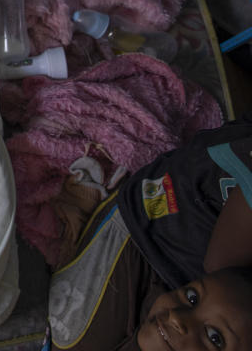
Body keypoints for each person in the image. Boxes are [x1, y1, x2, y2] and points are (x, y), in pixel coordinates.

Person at [48, 114, 252, 350]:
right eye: (215, 337)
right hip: (150, 227)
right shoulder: (222, 278)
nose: (176, 318)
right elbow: (221, 272)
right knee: (70, 342)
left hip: (196, 276)